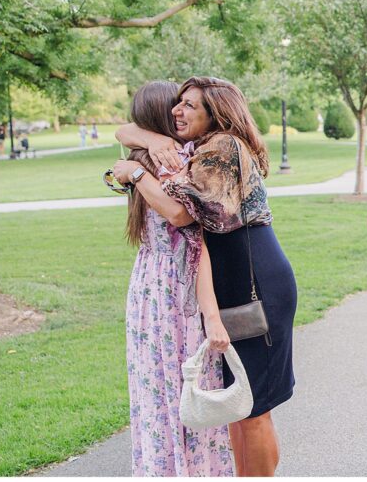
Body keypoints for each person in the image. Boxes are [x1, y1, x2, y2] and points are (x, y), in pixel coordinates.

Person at [114, 76, 297, 477]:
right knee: (234, 404)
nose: (178, 110)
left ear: (215, 115)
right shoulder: (198, 149)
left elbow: (181, 214)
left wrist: (134, 171)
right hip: (230, 284)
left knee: (252, 407)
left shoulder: (222, 148)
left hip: (255, 284)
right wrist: (141, 140)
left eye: (190, 106)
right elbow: (125, 130)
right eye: (177, 103)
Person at [112, 81, 233, 476]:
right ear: (166, 115)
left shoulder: (137, 160)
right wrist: (212, 316)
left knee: (155, 392)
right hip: (178, 286)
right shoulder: (173, 158)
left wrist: (138, 149)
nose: (183, 112)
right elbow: (192, 233)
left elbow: (124, 131)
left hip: (147, 287)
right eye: (177, 106)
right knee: (189, 390)